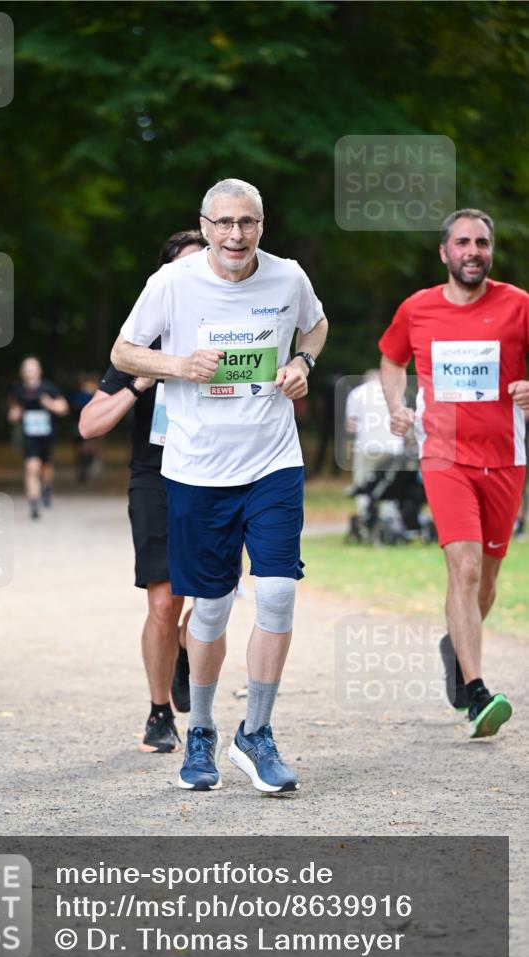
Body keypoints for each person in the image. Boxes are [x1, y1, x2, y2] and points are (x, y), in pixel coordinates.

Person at [111, 178, 328, 793]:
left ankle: (256, 734)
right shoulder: (171, 284)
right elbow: (124, 351)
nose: (237, 235)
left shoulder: (288, 278)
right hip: (197, 469)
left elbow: (316, 326)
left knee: (279, 591)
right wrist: (176, 365)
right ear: (204, 227)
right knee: (208, 607)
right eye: (224, 223)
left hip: (272, 460)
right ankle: (201, 731)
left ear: (262, 224)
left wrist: (302, 363)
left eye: (248, 222)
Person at [379, 208, 529, 738]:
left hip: (506, 458)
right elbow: (392, 360)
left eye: (482, 243)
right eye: (462, 242)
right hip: (444, 456)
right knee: (462, 571)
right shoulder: (417, 309)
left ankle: (456, 646)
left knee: (485, 582)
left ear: (491, 251)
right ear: (444, 252)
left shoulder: (519, 306)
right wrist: (397, 406)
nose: (473, 251)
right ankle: (478, 691)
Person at [80, 231, 208, 754]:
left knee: (211, 598)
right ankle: (160, 712)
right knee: (164, 600)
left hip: (217, 475)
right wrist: (139, 384)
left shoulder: (233, 343)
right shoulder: (139, 349)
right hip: (155, 477)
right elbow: (89, 426)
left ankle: (182, 649)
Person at [7, 357, 69, 519]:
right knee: (31, 467)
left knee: (46, 467)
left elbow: (63, 408)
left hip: (47, 436)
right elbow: (12, 413)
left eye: (32, 369)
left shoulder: (49, 388)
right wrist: (15, 414)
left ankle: (47, 487)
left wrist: (49, 404)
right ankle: (34, 503)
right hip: (29, 436)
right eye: (26, 369)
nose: (30, 372)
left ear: (39, 371)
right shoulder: (18, 391)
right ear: (22, 372)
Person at [345, 368, 406, 526]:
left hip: (367, 446)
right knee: (389, 482)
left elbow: (351, 425)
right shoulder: (396, 393)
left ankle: (365, 516)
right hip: (393, 448)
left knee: (363, 482)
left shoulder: (357, 393)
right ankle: (389, 517)